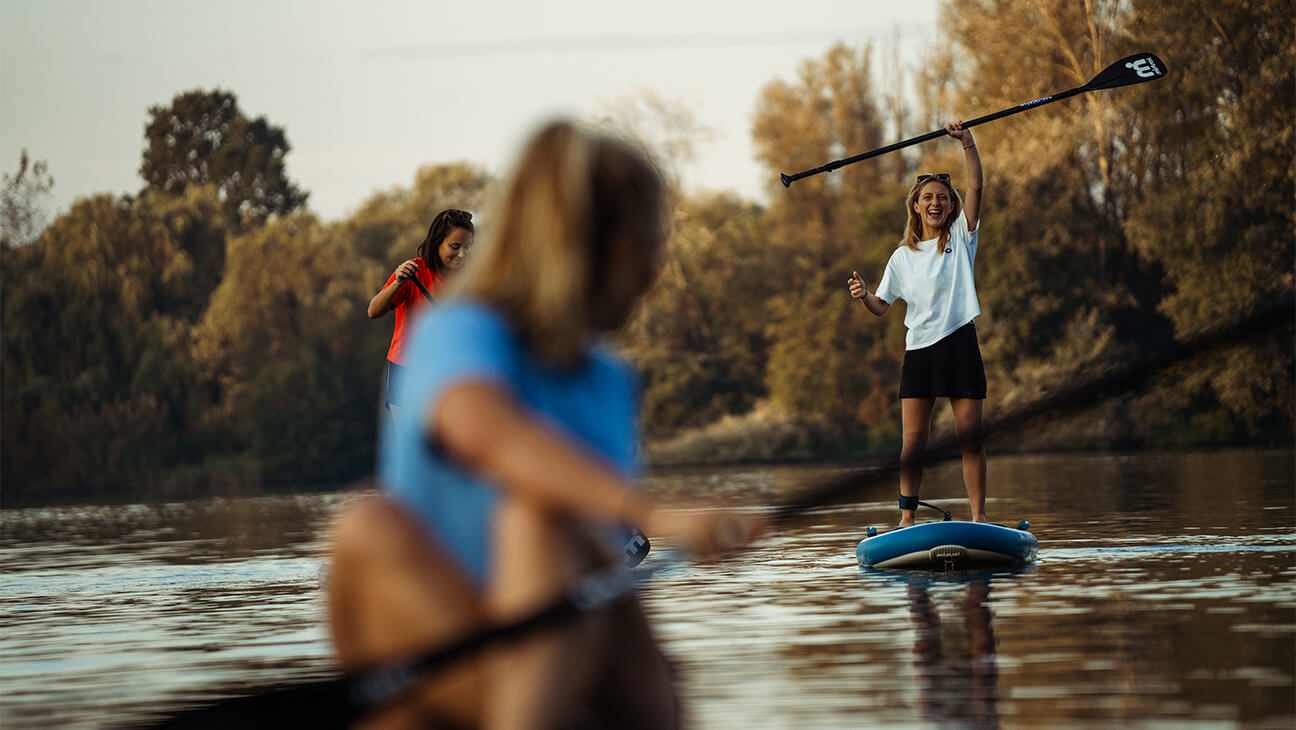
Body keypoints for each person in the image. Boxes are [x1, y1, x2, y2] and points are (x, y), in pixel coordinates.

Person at [327, 120, 764, 729]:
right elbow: (483, 429)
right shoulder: (461, 329)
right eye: (650, 248)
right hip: (447, 638)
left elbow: (607, 582)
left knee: (557, 537)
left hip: (567, 653)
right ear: (607, 251)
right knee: (368, 527)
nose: (656, 272)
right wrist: (661, 512)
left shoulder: (608, 379)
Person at [849, 120, 986, 528]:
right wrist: (863, 296)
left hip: (961, 343)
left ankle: (979, 518)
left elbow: (976, 186)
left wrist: (968, 143)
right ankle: (907, 519)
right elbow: (881, 305)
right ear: (916, 205)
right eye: (928, 197)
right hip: (920, 352)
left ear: (951, 206)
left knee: (970, 441)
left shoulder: (962, 237)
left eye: (943, 198)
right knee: (913, 442)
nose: (935, 203)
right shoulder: (901, 257)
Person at [367, 208, 474, 426]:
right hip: (406, 370)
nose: (462, 254)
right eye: (455, 247)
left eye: (468, 248)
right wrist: (398, 282)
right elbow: (373, 311)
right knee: (411, 439)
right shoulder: (415, 271)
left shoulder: (472, 279)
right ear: (437, 244)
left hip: (449, 371)